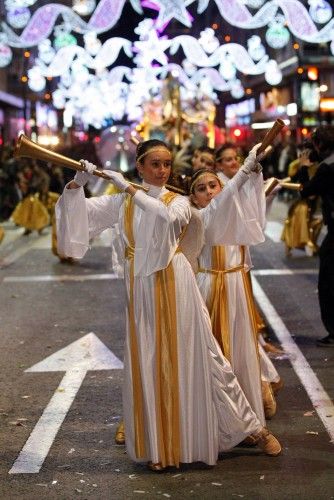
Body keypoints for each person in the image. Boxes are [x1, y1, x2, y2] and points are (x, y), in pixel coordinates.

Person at [56, 139, 281, 471]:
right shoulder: (121, 202)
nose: (162, 171)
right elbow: (76, 223)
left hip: (177, 285)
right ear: (141, 167)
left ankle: (253, 429)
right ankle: (161, 448)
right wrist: (77, 185)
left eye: (167, 164)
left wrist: (128, 189)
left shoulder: (179, 202)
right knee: (149, 364)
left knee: (205, 357)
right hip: (142, 291)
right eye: (155, 165)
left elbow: (164, 218)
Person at [299, 126, 334, 347]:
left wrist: (304, 168)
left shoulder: (327, 168)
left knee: (328, 282)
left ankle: (333, 330)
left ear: (319, 145)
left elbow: (306, 191)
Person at [281, 141, 322, 256]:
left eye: (306, 151)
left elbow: (309, 188)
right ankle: (296, 244)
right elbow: (293, 178)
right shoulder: (299, 165)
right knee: (296, 217)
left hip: (317, 202)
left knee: (313, 220)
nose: (303, 154)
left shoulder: (319, 166)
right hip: (304, 200)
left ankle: (311, 243)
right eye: (303, 151)